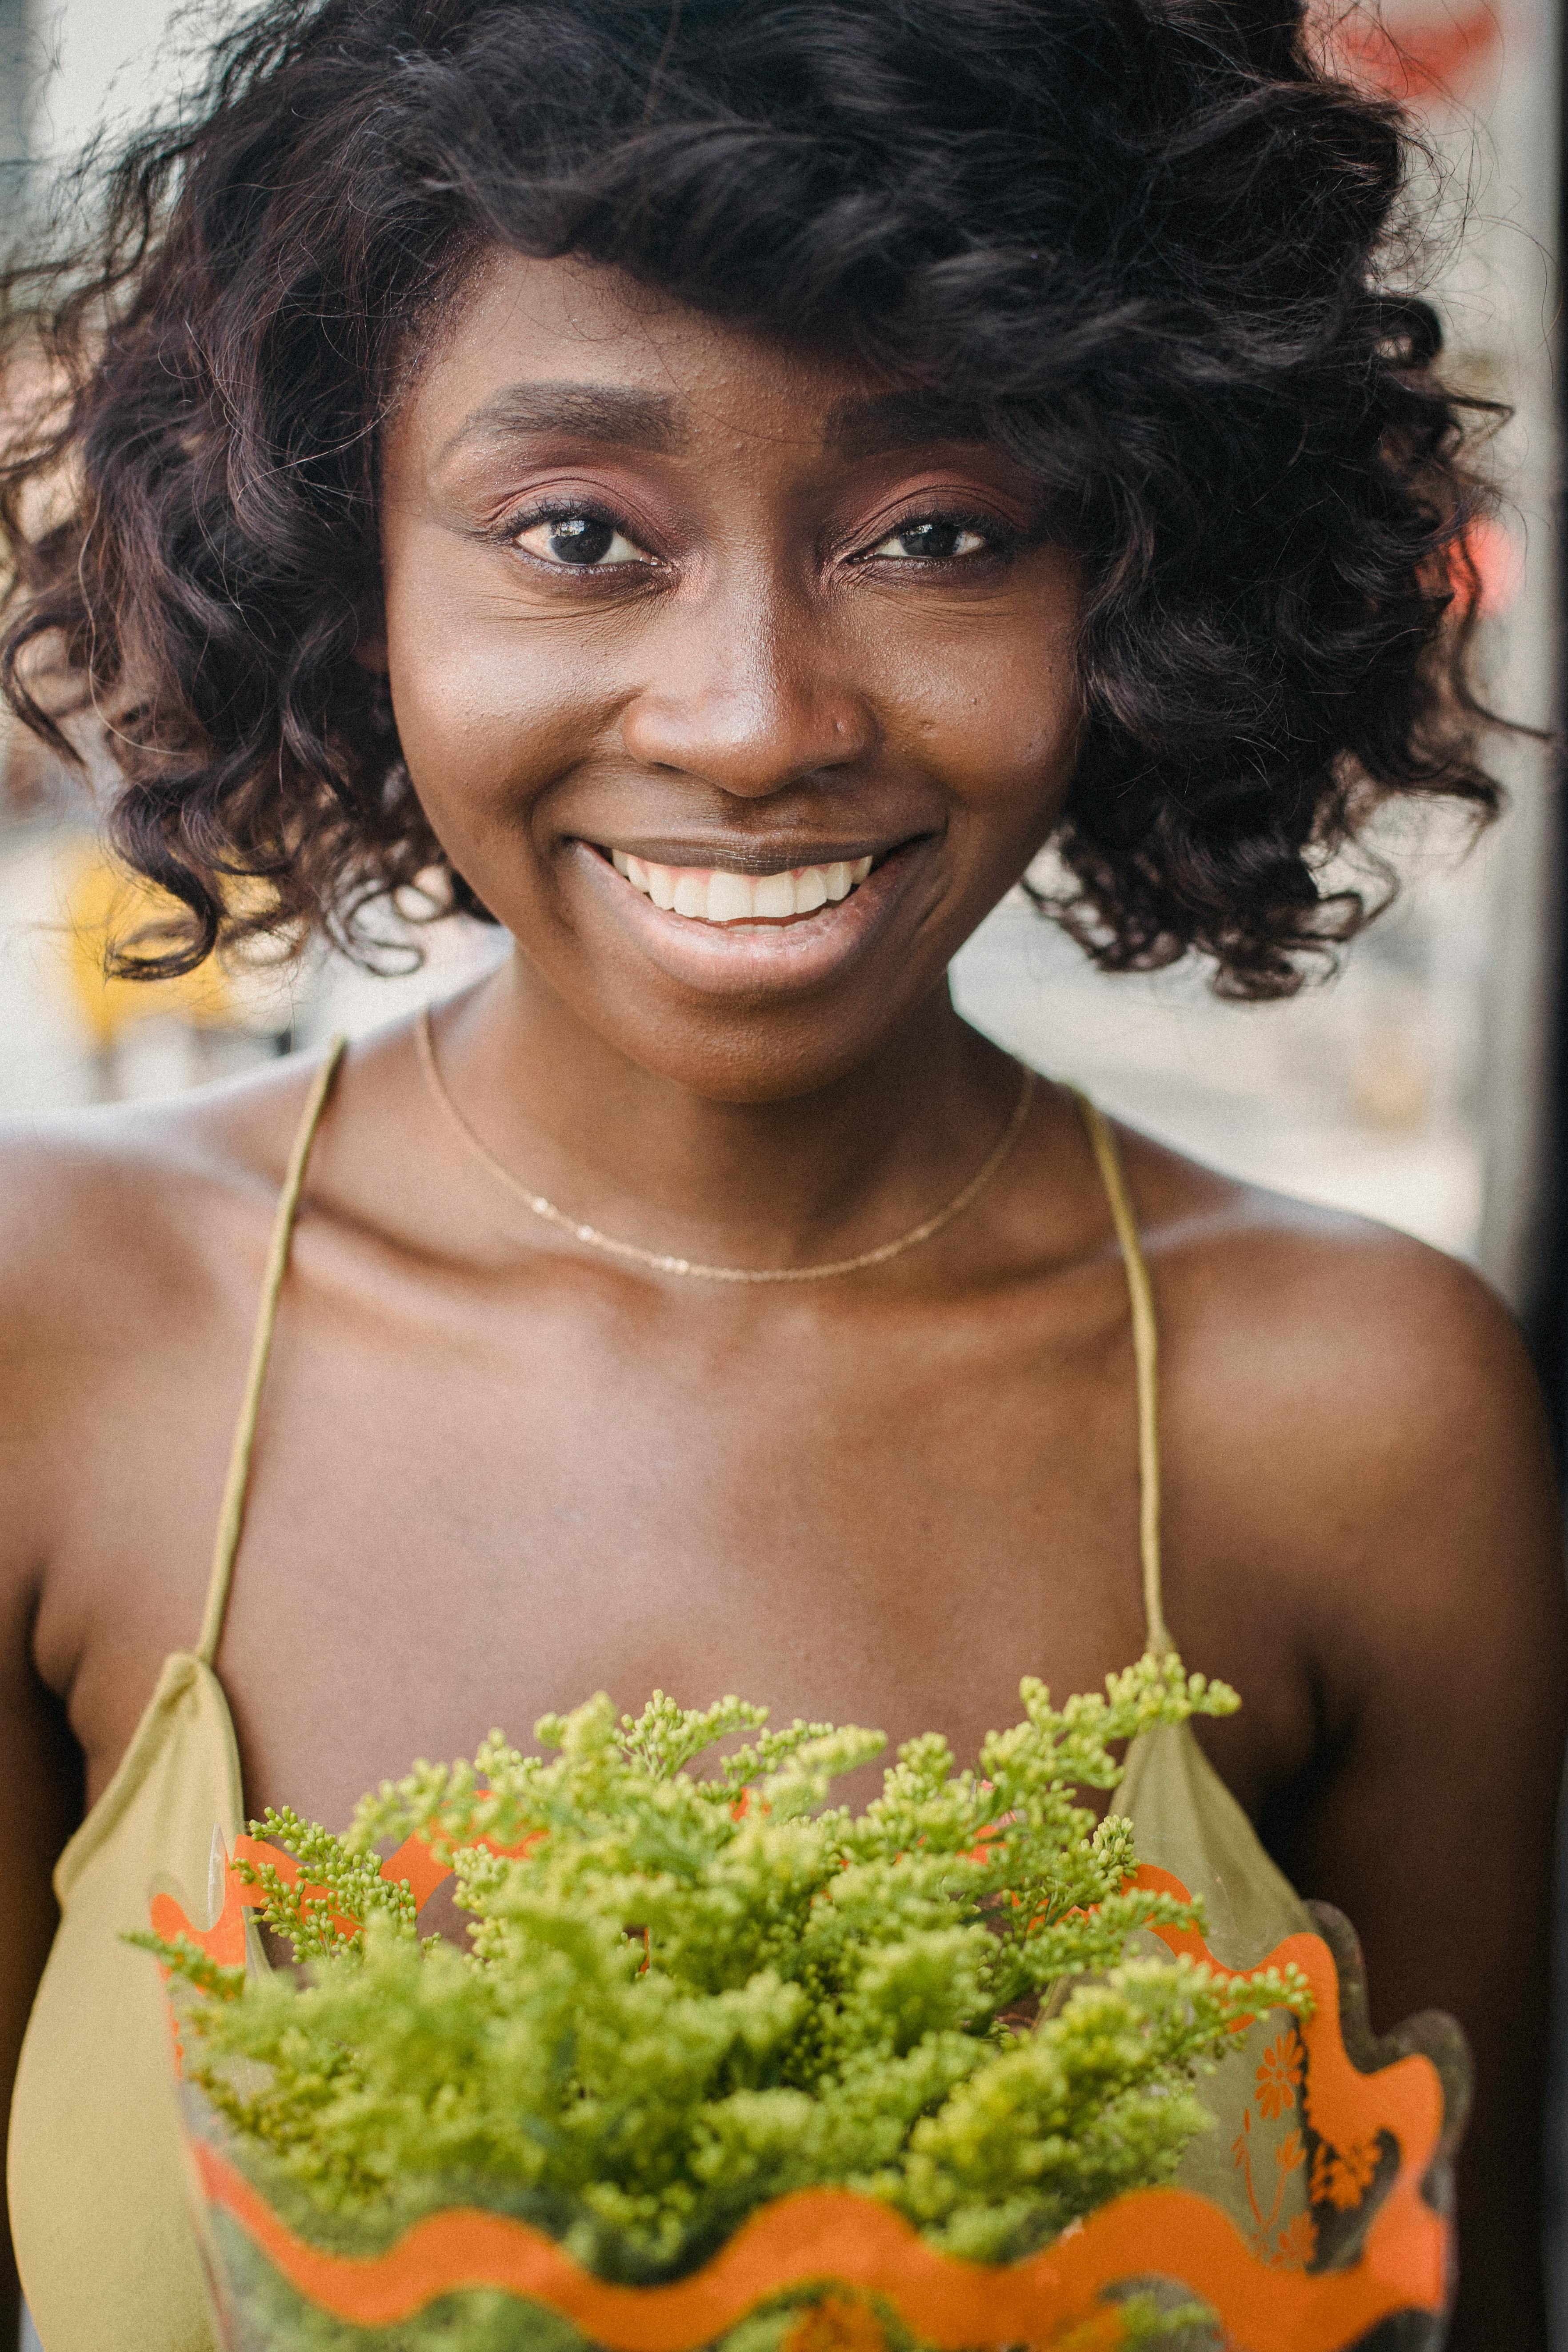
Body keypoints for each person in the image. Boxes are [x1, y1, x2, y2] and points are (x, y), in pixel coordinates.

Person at [0, 1, 1561, 2345]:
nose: (753, 720)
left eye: (934, 533)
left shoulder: (1349, 1418)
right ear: (345, 564)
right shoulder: (61, 1332)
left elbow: (1469, 2305)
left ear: (1140, 580)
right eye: (574, 536)